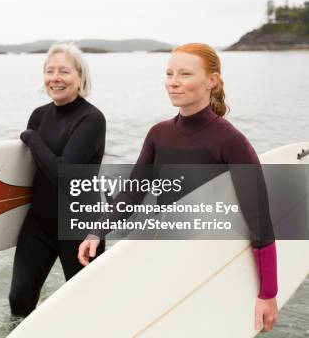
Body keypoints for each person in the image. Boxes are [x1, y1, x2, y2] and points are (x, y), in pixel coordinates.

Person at [77, 43, 278, 332]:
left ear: (212, 80)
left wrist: (267, 294)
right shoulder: (159, 135)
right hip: (167, 254)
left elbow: (259, 218)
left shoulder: (229, 141)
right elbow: (132, 192)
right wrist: (98, 230)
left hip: (211, 261)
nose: (173, 81)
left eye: (185, 74)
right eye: (169, 73)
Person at [9, 42, 106, 318]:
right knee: (19, 300)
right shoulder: (39, 116)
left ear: (80, 77)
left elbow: (64, 175)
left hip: (79, 228)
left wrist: (29, 136)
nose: (55, 77)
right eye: (49, 71)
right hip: (38, 224)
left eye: (64, 71)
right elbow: (28, 172)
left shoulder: (91, 119)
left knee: (88, 308)